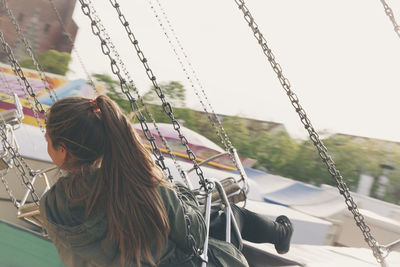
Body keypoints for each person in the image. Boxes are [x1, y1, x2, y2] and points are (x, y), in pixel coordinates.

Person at [40, 95, 292, 267]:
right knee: (228, 216)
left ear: (62, 150)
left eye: (47, 139)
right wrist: (179, 192)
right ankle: (281, 232)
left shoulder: (51, 206)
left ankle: (279, 233)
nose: (46, 144)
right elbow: (195, 233)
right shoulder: (139, 185)